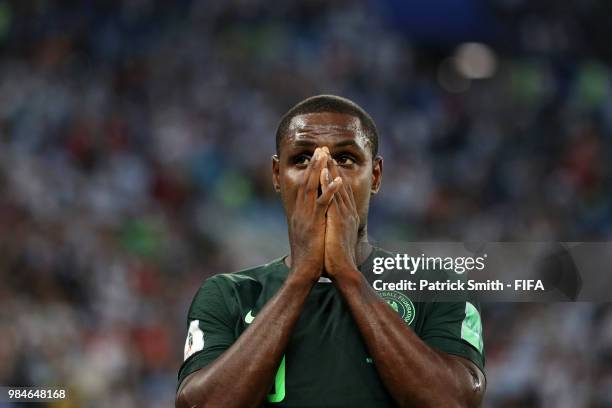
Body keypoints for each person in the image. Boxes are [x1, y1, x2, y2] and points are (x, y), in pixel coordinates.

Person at [175, 95, 486, 408]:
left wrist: (347, 275)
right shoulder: (227, 294)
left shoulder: (438, 287)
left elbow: (455, 401)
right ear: (276, 175)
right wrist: (301, 277)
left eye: (346, 159)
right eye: (301, 160)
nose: (325, 177)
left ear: (375, 175)